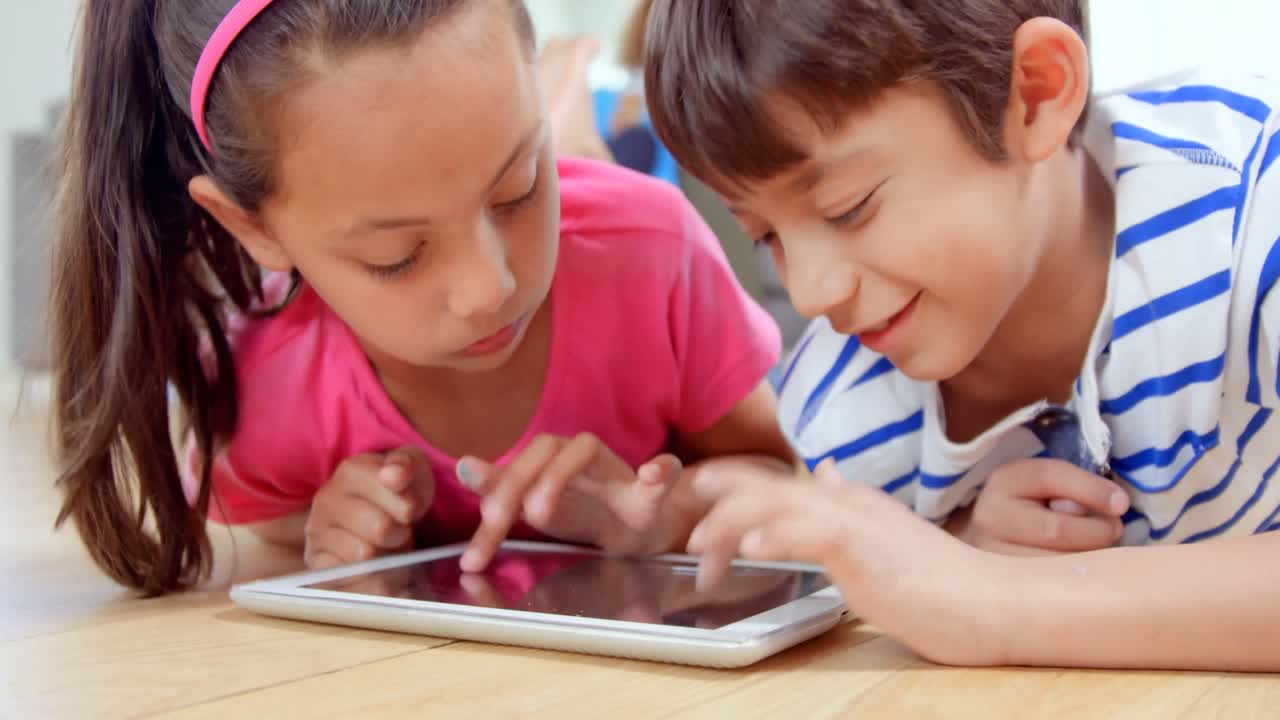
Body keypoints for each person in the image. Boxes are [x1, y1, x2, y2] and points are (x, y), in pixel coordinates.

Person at [48, 0, 793, 596]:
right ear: (252, 227)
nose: (490, 288)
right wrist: (327, 523)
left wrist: (664, 513)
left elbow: (786, 474)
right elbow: (264, 517)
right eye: (395, 257)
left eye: (519, 189)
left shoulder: (652, 255)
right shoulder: (266, 380)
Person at [643, 0, 1280, 670]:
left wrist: (998, 602)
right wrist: (957, 543)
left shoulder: (1252, 209)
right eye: (764, 235)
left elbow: (975, 605)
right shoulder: (843, 420)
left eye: (848, 207)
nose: (811, 292)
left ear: (1034, 95)